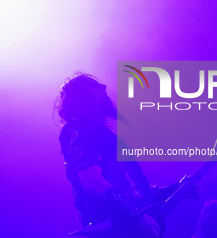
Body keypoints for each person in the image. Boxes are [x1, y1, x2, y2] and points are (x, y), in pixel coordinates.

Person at [55, 73, 196, 238]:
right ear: (81, 96)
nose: (103, 87)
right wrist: (135, 217)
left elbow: (127, 187)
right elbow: (94, 184)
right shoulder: (78, 130)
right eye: (93, 85)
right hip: (114, 230)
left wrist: (170, 191)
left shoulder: (96, 132)